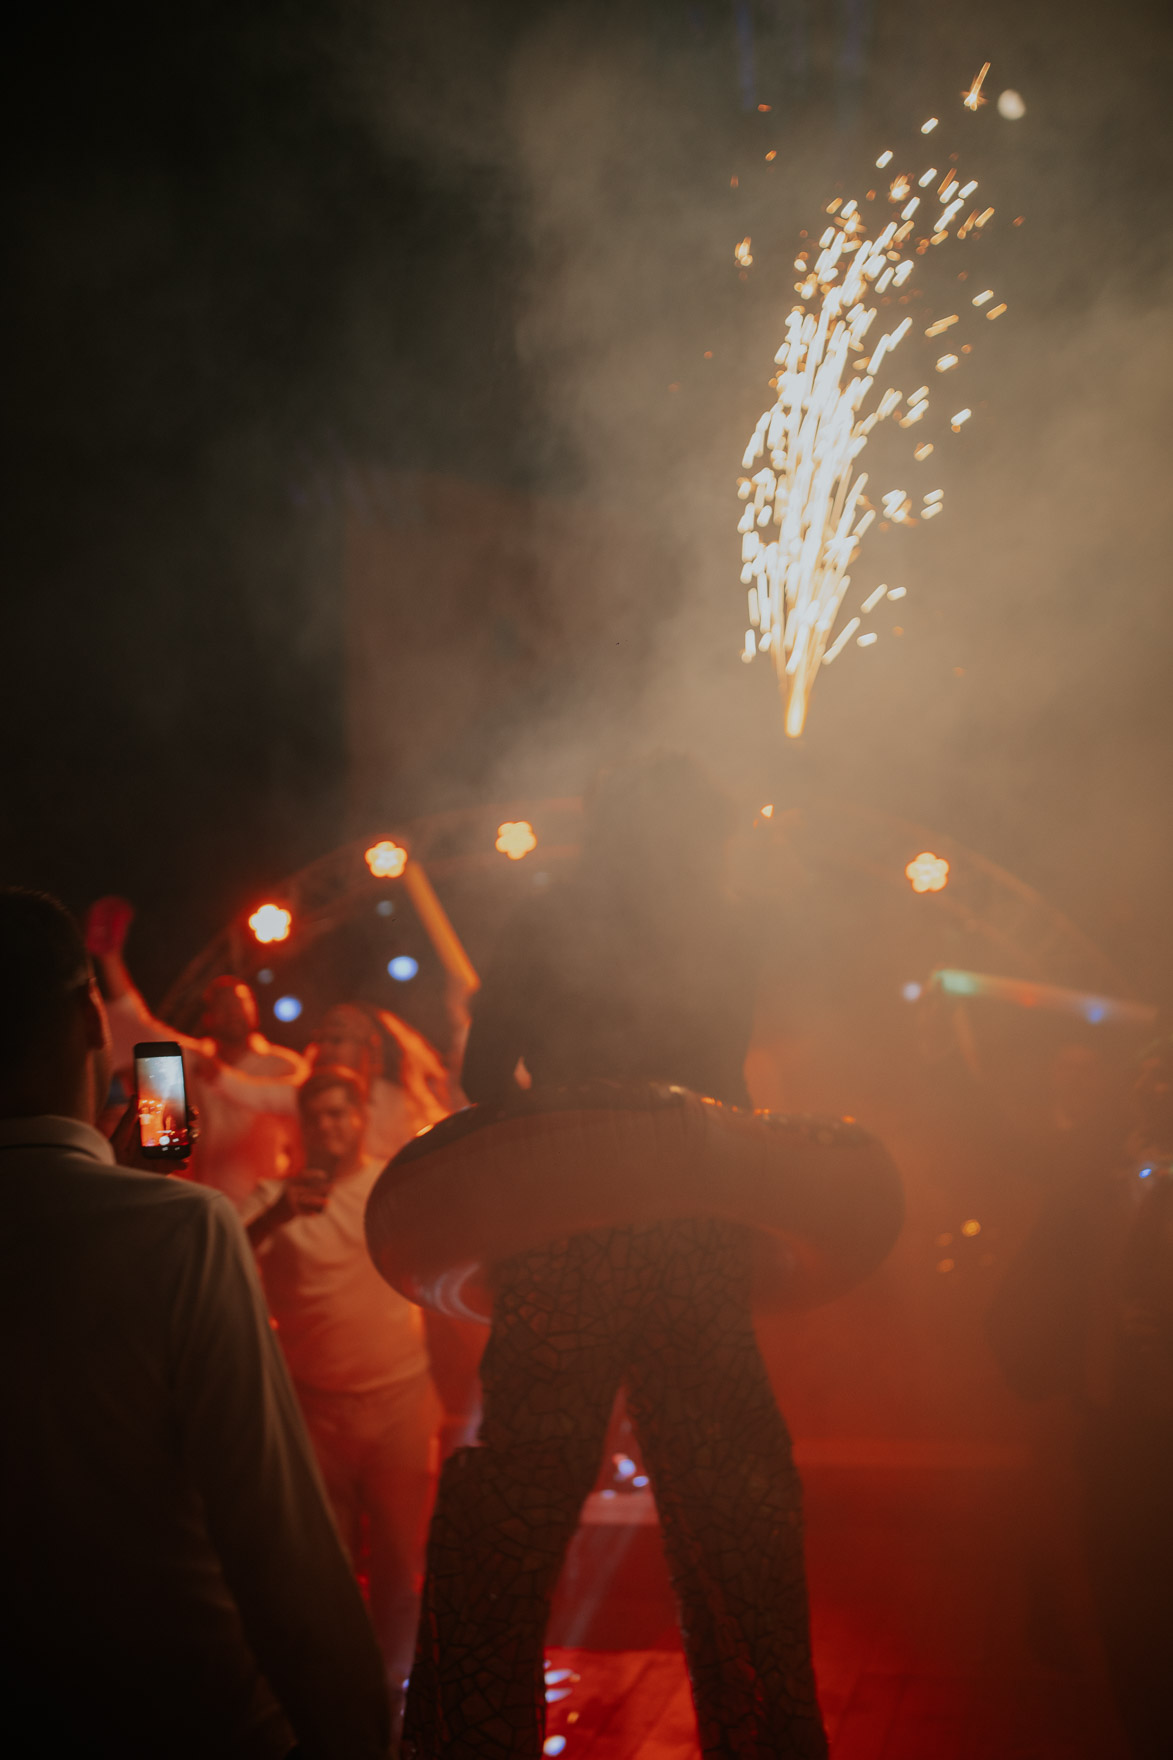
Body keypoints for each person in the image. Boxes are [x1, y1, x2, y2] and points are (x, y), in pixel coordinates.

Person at [403, 753, 828, 1760]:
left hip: (569, 1232)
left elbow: (478, 1074)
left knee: (513, 1506)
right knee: (737, 1504)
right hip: (689, 1232)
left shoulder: (549, 920)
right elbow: (725, 1091)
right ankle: (769, 1741)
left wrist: (557, 1126)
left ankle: (465, 1744)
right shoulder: (726, 923)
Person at [0, 888, 390, 1759]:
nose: (220, 1010)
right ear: (87, 1019)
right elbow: (277, 1548)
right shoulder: (183, 1228)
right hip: (185, 1716)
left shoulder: (280, 1077)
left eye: (231, 1001)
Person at [986, 1036, 1173, 1759]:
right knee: (1133, 1631)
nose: (1154, 1079)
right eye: (1150, 1064)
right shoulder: (1103, 1168)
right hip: (1120, 1439)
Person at [245, 1066, 444, 1714]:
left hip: (398, 1404)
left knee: (396, 1564)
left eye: (339, 1114)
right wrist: (277, 1213)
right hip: (313, 1412)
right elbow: (225, 1252)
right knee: (323, 1573)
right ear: (301, 1125)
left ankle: (393, 1699)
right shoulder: (268, 1197)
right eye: (316, 1117)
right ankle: (336, 1705)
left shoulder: (393, 1187)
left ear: (359, 1116)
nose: (329, 1127)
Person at [86, 895, 308, 1205]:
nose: (232, 1012)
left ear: (254, 1012)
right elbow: (139, 1026)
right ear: (208, 1019)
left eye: (239, 1003)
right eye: (223, 1006)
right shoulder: (194, 1060)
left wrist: (222, 1079)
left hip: (267, 1203)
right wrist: (110, 958)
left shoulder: (284, 1065)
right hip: (207, 1198)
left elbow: (291, 1100)